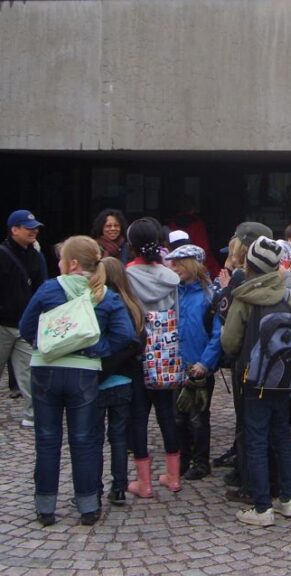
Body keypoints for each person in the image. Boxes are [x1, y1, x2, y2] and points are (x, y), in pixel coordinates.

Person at [19, 236, 135, 526]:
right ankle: (88, 507)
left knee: (46, 440)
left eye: (60, 259)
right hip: (84, 372)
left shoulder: (49, 289)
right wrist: (96, 349)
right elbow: (125, 335)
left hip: (45, 370)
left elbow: (25, 327)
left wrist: (46, 344)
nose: (57, 264)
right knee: (84, 440)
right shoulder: (105, 294)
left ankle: (45, 507)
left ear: (71, 263)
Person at [221, 236, 291, 528]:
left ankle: (261, 505)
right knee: (281, 434)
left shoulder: (244, 298)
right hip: (284, 376)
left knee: (255, 438)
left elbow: (229, 342)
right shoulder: (288, 296)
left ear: (251, 266)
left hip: (253, 378)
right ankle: (288, 499)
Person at [124, 217, 182, 498]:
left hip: (138, 353)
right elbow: (178, 316)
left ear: (131, 245)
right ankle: (173, 476)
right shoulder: (171, 277)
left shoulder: (126, 277)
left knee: (138, 417)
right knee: (167, 414)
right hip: (166, 352)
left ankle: (143, 482)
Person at [167, 243, 220, 481]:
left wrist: (205, 363)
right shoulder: (174, 293)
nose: (174, 267)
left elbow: (218, 334)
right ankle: (183, 459)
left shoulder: (210, 296)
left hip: (198, 364)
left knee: (198, 417)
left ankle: (201, 461)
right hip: (176, 364)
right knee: (178, 417)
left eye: (179, 263)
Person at [96, 257, 145, 507]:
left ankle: (94, 488)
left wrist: (102, 368)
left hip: (104, 377)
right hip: (127, 379)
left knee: (94, 436)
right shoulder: (133, 304)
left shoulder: (102, 304)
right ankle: (119, 486)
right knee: (119, 436)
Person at [0, 209, 48, 428]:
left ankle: (32, 414)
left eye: (35, 228)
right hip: (2, 324)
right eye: (29, 228)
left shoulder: (36, 256)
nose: (34, 231)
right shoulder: (2, 254)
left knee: (29, 373)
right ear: (14, 230)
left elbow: (41, 287)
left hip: (24, 325)